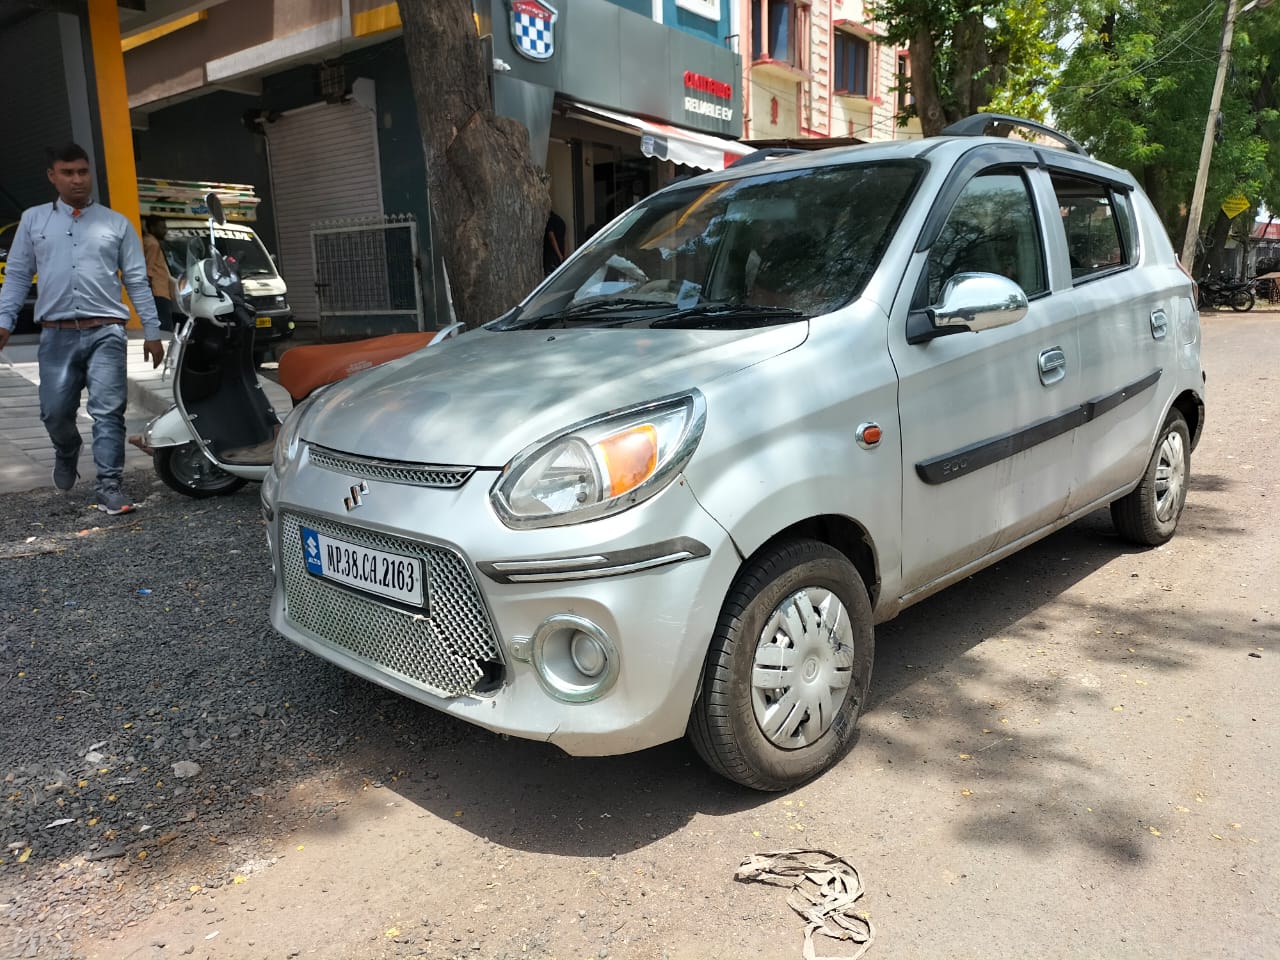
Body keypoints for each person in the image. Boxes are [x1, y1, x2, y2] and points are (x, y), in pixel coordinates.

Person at [0, 143, 164, 515]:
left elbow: (138, 280)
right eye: (68, 172)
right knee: (55, 412)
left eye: (83, 172)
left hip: (106, 331)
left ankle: (110, 486)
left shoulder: (115, 223)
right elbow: (17, 276)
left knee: (109, 411)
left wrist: (152, 332)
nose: (77, 179)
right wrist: (4, 321)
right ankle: (67, 448)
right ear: (52, 176)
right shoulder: (34, 221)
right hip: (56, 334)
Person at [142, 215, 176, 334]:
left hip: (159, 291)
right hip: (158, 291)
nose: (165, 230)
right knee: (165, 329)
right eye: (161, 227)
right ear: (152, 227)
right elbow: (149, 270)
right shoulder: (152, 244)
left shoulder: (148, 241)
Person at [544, 209, 566, 276]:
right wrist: (562, 256)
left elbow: (551, 236)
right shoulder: (561, 222)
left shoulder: (551, 221)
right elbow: (564, 239)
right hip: (560, 256)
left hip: (552, 256)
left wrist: (559, 254)